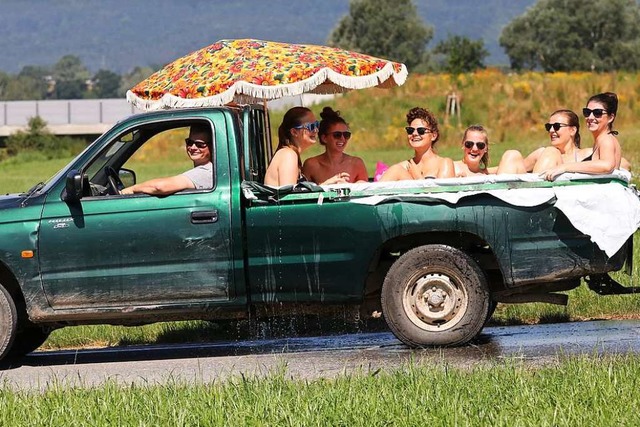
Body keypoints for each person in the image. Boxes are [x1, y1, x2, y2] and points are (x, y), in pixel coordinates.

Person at [542, 92, 623, 181]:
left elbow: (607, 165)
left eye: (597, 113)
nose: (590, 117)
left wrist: (565, 167)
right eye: (587, 112)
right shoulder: (602, 140)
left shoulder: (606, 139)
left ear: (611, 118)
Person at [264, 106, 349, 187]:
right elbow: (289, 198)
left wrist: (326, 184)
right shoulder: (288, 155)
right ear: (294, 132)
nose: (316, 130)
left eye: (316, 125)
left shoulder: (289, 153)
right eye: (311, 126)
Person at [120, 124, 213, 195]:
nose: (192, 147)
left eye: (200, 144)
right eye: (189, 142)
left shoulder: (206, 172)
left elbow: (160, 187)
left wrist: (131, 190)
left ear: (213, 146)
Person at [496, 109, 591, 174]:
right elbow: (513, 165)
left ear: (572, 130)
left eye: (557, 126)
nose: (551, 130)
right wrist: (483, 171)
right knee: (512, 155)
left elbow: (605, 166)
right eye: (549, 127)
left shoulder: (587, 154)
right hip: (535, 197)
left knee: (551, 152)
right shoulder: (542, 153)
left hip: (560, 199)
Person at [379, 107, 454, 181]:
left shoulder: (444, 164)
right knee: (396, 170)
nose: (414, 134)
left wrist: (418, 178)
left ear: (433, 136)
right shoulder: (402, 167)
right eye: (410, 130)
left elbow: (443, 193)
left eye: (421, 130)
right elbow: (376, 191)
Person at [302, 107, 368, 183]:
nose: (343, 139)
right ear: (324, 138)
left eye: (346, 135)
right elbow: (304, 193)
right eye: (337, 135)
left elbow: (364, 191)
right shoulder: (311, 165)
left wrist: (347, 187)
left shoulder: (356, 163)